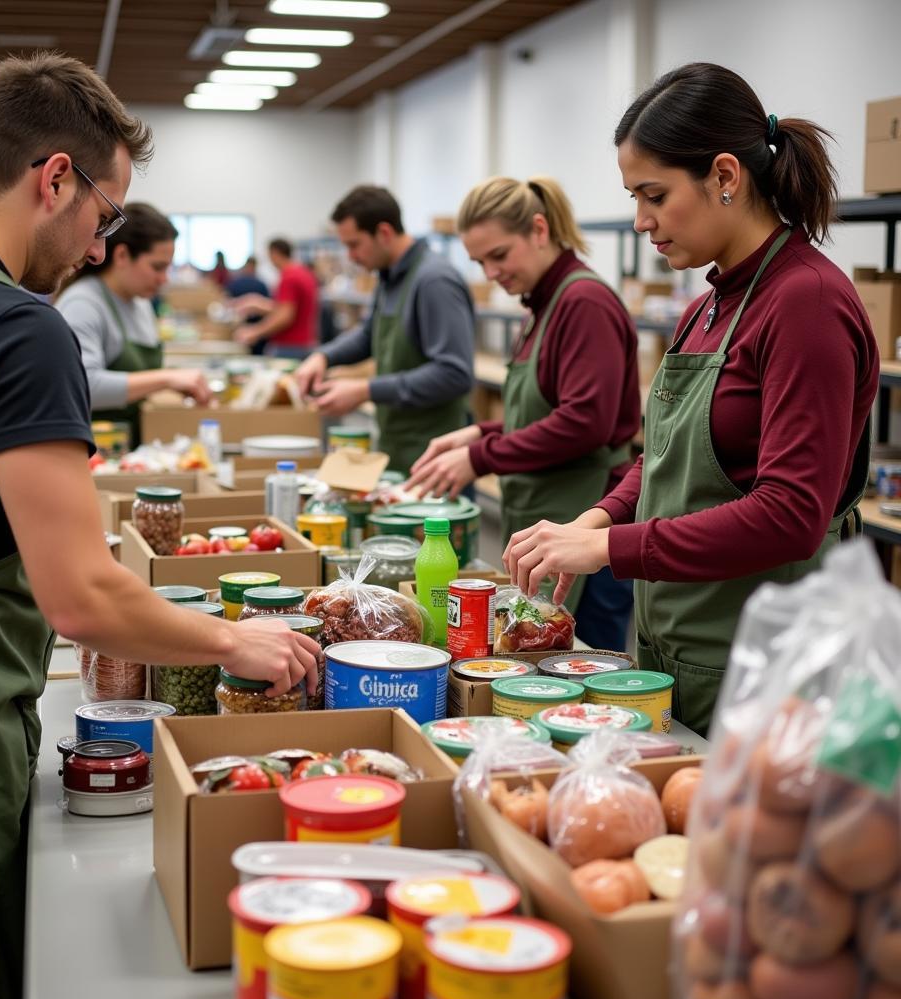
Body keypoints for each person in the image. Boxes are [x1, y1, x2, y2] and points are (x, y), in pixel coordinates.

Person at [0, 53, 319, 999]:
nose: (94, 245)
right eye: (104, 214)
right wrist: (234, 641)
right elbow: (83, 594)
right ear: (55, 178)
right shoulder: (16, 328)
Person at [504, 62, 878, 735]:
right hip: (675, 650)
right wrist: (595, 519)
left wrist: (612, 549)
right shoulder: (705, 307)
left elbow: (791, 513)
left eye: (654, 194)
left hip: (761, 671)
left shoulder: (806, 304)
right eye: (633, 199)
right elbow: (666, 461)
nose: (643, 221)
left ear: (726, 177)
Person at [407, 177, 640, 650]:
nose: (490, 272)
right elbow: (540, 408)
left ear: (538, 229)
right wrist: (476, 432)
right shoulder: (541, 304)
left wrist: (480, 457)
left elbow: (584, 422)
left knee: (583, 662)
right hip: (549, 508)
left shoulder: (583, 303)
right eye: (479, 262)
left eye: (499, 255)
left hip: (587, 513)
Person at [295, 186, 475, 476]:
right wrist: (323, 357)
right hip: (398, 443)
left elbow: (454, 374)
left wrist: (365, 390)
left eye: (354, 245)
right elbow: (369, 335)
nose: (350, 256)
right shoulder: (388, 276)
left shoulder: (434, 282)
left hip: (437, 455)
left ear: (384, 233)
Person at [55, 201, 210, 447]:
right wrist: (166, 379)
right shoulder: (83, 304)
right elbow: (82, 385)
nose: (163, 279)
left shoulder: (140, 304)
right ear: (122, 256)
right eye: (157, 267)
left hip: (135, 448)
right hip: (95, 451)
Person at [233, 237, 318, 357]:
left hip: (289, 345)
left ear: (275, 253)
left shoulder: (289, 277)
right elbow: (289, 307)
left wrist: (254, 331)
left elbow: (285, 315)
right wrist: (257, 304)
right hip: (304, 343)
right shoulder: (303, 273)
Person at [227, 256, 270, 356]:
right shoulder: (261, 284)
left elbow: (228, 302)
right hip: (258, 326)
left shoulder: (235, 283)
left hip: (242, 325)